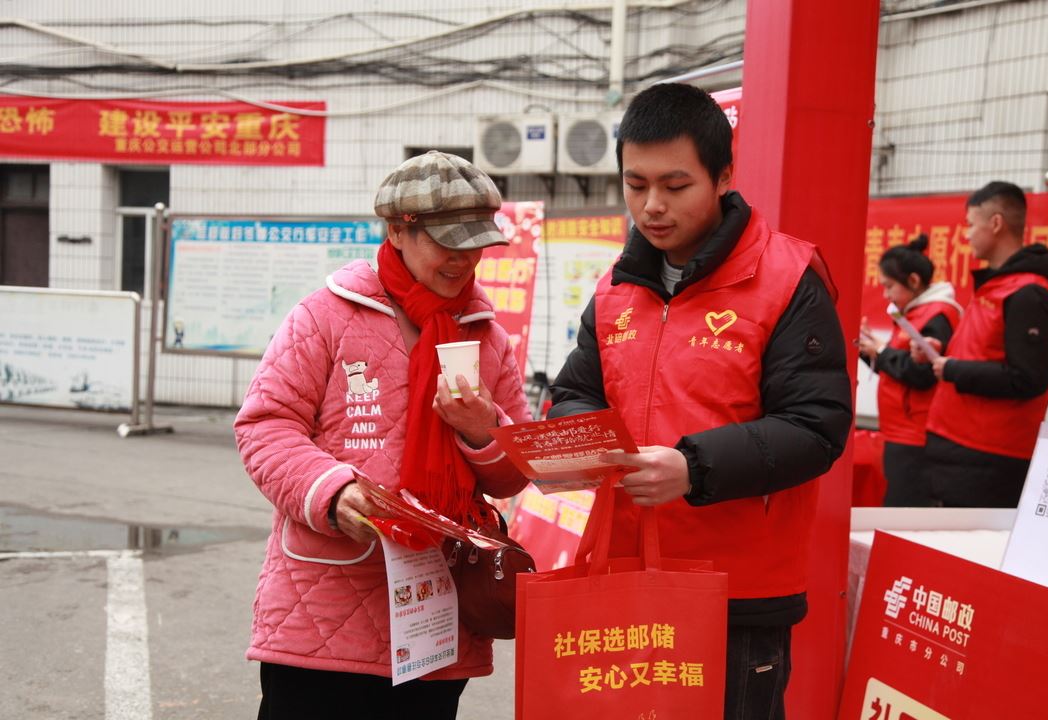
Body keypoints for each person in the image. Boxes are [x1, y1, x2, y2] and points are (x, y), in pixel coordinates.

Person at [548, 83, 852, 720]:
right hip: (624, 577)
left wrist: (693, 467)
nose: (652, 206)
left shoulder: (787, 279)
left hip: (736, 594)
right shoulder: (614, 290)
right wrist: (585, 441)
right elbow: (576, 393)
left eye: (675, 185)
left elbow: (815, 428)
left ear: (723, 176)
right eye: (636, 184)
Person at [234, 150, 532, 719]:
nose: (463, 259)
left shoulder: (487, 337)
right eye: (447, 242)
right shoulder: (326, 315)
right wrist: (331, 490)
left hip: (437, 616)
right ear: (398, 230)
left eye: (475, 244)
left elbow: (513, 474)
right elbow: (265, 424)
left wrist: (483, 431)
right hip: (325, 612)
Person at [914, 181, 1048, 507]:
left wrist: (952, 369)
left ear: (996, 223)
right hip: (959, 447)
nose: (966, 235)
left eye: (970, 224)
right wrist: (940, 351)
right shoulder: (997, 286)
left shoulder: (1028, 293)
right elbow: (983, 353)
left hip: (988, 457)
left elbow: (1028, 377)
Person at [858, 234, 962, 506]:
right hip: (900, 431)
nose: (886, 295)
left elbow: (923, 374)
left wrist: (882, 352)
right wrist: (870, 350)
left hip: (916, 435)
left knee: (903, 513)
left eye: (889, 286)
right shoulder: (915, 313)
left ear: (913, 281)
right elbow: (898, 369)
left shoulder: (937, 315)